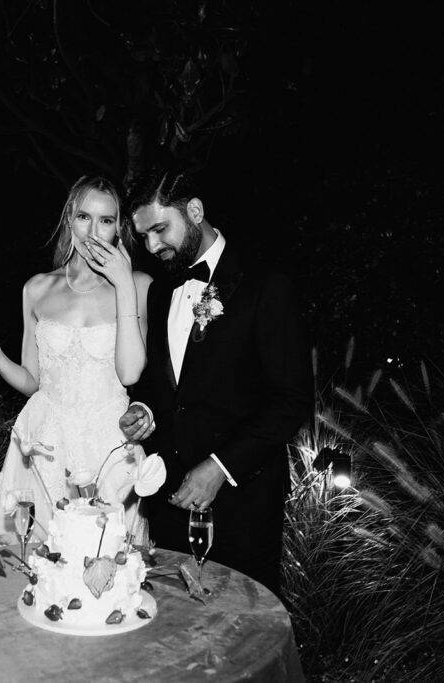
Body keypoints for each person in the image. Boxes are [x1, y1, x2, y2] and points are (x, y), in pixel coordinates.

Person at [118, 168, 313, 595]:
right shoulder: (160, 293)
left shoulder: (265, 285)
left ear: (195, 211)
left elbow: (292, 399)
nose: (152, 247)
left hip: (242, 503)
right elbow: (161, 384)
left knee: (240, 633)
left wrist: (220, 467)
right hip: (168, 499)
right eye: (144, 237)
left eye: (159, 229)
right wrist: (143, 409)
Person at [0, 175, 153, 543]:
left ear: (117, 229)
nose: (93, 230)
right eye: (84, 217)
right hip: (45, 443)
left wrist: (121, 284)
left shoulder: (138, 285)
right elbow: (34, 382)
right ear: (69, 219)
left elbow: (130, 371)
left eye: (106, 220)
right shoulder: (37, 288)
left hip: (108, 445)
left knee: (109, 564)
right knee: (40, 566)